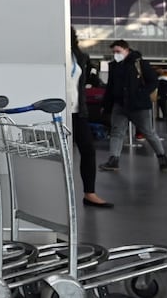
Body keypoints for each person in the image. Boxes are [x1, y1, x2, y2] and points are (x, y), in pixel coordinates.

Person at [99, 40, 167, 172]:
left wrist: (141, 94)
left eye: (118, 51)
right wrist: (106, 105)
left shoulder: (140, 63)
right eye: (113, 52)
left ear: (127, 50)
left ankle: (162, 157)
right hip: (120, 105)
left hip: (139, 105)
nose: (115, 54)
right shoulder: (114, 66)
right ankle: (113, 160)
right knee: (117, 132)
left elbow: (153, 81)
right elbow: (110, 87)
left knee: (148, 132)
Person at [69, 29, 112, 208]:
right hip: (57, 111)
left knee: (88, 150)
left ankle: (89, 193)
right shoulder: (52, 55)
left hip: (78, 111)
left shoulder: (78, 56)